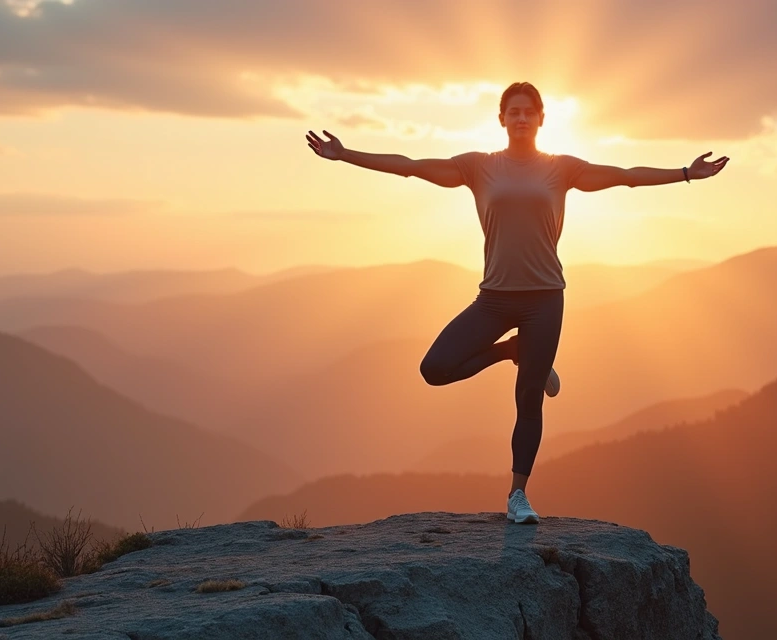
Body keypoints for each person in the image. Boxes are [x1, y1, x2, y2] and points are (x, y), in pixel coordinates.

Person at [305, 81, 729, 524]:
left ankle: (517, 496)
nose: (522, 118)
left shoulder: (562, 169)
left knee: (529, 399)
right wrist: (346, 153)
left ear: (542, 119)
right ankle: (513, 351)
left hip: (545, 299)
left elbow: (625, 176)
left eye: (529, 112)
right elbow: (410, 166)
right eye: (514, 111)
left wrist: (684, 173)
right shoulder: (478, 167)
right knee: (435, 369)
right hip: (494, 299)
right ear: (502, 118)